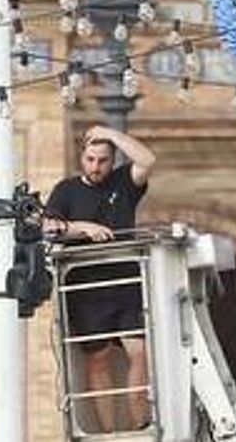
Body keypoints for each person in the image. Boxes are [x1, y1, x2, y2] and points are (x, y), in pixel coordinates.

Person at [44, 125, 157, 433]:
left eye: (103, 160)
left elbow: (148, 161)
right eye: (91, 159)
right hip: (86, 289)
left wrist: (112, 133)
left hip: (126, 284)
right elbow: (48, 227)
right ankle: (108, 433)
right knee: (98, 361)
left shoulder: (123, 181)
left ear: (112, 159)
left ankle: (141, 424)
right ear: (82, 157)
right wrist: (83, 227)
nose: (96, 167)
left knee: (140, 352)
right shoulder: (66, 190)